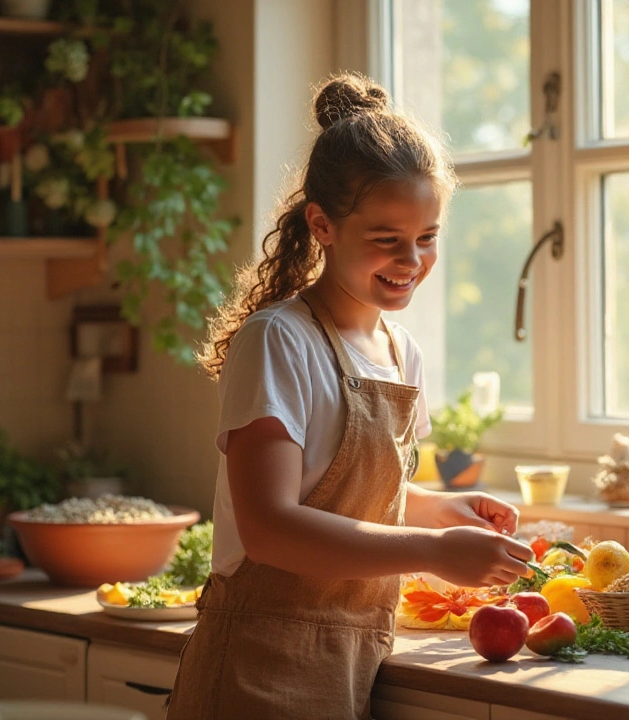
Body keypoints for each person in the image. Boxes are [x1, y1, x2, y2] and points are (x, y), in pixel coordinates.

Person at [166, 72, 534, 720]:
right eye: (388, 238)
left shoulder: (401, 351)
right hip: (254, 666)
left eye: (428, 237)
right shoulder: (279, 340)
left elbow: (340, 488)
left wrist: (439, 510)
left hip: (350, 662)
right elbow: (271, 527)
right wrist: (433, 553)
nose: (412, 259)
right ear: (323, 225)